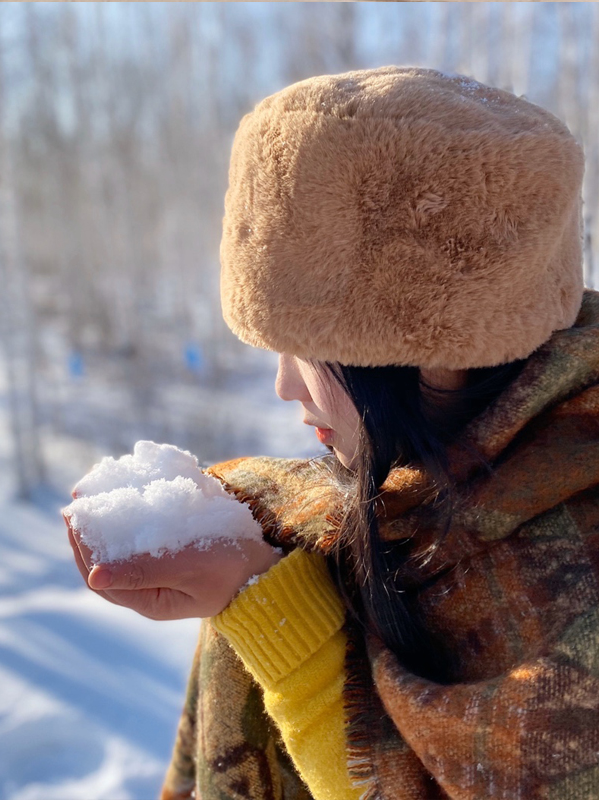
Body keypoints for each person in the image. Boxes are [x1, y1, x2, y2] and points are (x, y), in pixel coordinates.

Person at [67, 67, 599, 799]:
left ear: (429, 341)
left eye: (310, 351)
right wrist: (253, 581)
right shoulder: (320, 517)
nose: (284, 386)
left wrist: (279, 621)